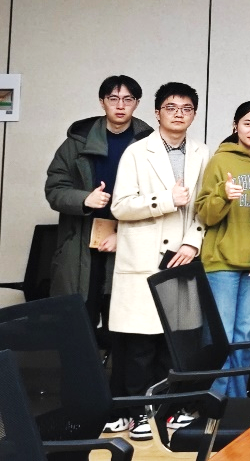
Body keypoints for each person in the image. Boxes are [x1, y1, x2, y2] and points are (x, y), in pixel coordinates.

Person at [108, 82, 208, 440]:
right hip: (143, 260)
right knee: (139, 346)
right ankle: (136, 414)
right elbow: (120, 206)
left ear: (193, 114)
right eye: (171, 107)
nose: (178, 114)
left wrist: (193, 242)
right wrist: (166, 199)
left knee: (174, 343)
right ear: (156, 112)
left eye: (186, 108)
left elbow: (204, 207)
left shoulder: (202, 152)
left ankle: (167, 411)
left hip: (181, 260)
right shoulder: (137, 152)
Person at [44, 75, 153, 361]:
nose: (120, 105)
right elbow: (54, 189)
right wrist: (84, 199)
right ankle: (78, 388)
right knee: (78, 325)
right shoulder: (76, 142)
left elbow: (159, 196)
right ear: (102, 102)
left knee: (126, 329)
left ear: (137, 103)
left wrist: (123, 232)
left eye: (128, 99)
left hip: (127, 241)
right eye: (113, 99)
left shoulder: (149, 143)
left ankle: (118, 389)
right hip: (81, 241)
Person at [194, 101, 250, 397]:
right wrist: (223, 196)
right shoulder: (219, 161)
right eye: (247, 123)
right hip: (221, 262)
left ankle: (238, 404)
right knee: (221, 336)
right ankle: (215, 402)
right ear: (235, 126)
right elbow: (205, 215)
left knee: (245, 337)